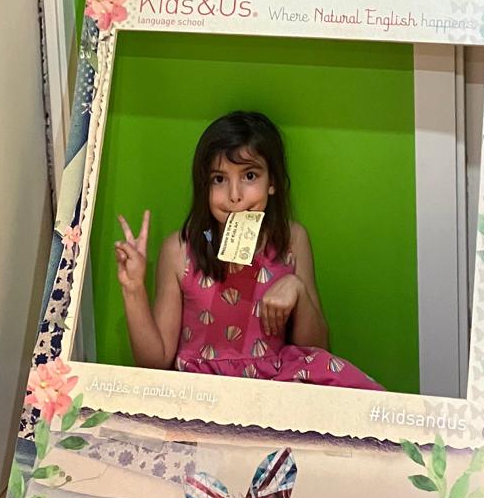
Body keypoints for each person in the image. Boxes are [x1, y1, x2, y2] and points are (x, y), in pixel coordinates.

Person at [114, 110, 382, 388]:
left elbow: (317, 350)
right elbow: (155, 362)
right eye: (219, 179)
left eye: (249, 175)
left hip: (272, 386)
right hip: (200, 389)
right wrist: (133, 289)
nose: (234, 195)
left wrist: (298, 290)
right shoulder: (179, 250)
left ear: (272, 182)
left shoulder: (292, 240)